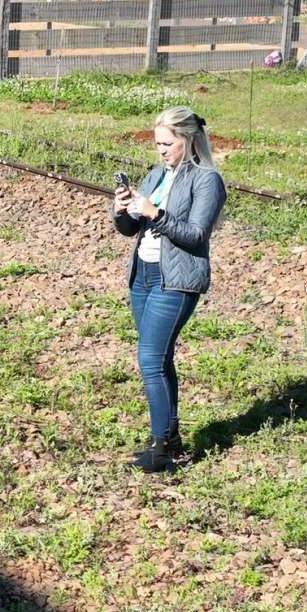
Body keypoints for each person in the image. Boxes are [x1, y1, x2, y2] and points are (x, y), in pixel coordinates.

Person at [112, 106, 226, 473]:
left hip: (175, 280)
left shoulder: (207, 180)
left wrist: (155, 213)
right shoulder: (156, 174)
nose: (161, 151)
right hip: (143, 276)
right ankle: (170, 437)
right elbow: (129, 230)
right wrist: (123, 210)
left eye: (168, 144)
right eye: (158, 144)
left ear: (188, 140)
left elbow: (196, 235)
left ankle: (161, 448)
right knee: (159, 359)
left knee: (149, 359)